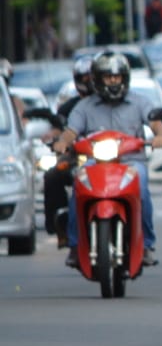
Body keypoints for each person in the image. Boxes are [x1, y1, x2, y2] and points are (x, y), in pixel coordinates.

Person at [54, 52, 162, 267]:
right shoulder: (84, 107)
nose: (114, 81)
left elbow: (156, 124)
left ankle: (147, 246)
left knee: (141, 187)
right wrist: (62, 142)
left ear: (125, 78)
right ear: (97, 79)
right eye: (108, 77)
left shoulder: (139, 101)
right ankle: (76, 245)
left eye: (117, 77)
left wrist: (159, 136)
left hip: (131, 163)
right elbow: (70, 131)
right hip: (95, 164)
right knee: (78, 186)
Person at [44, 56, 95, 246]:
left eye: (93, 78)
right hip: (78, 157)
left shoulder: (109, 103)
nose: (89, 83)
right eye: (85, 79)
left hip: (105, 158)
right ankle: (61, 227)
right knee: (53, 175)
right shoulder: (69, 107)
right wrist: (56, 140)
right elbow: (57, 130)